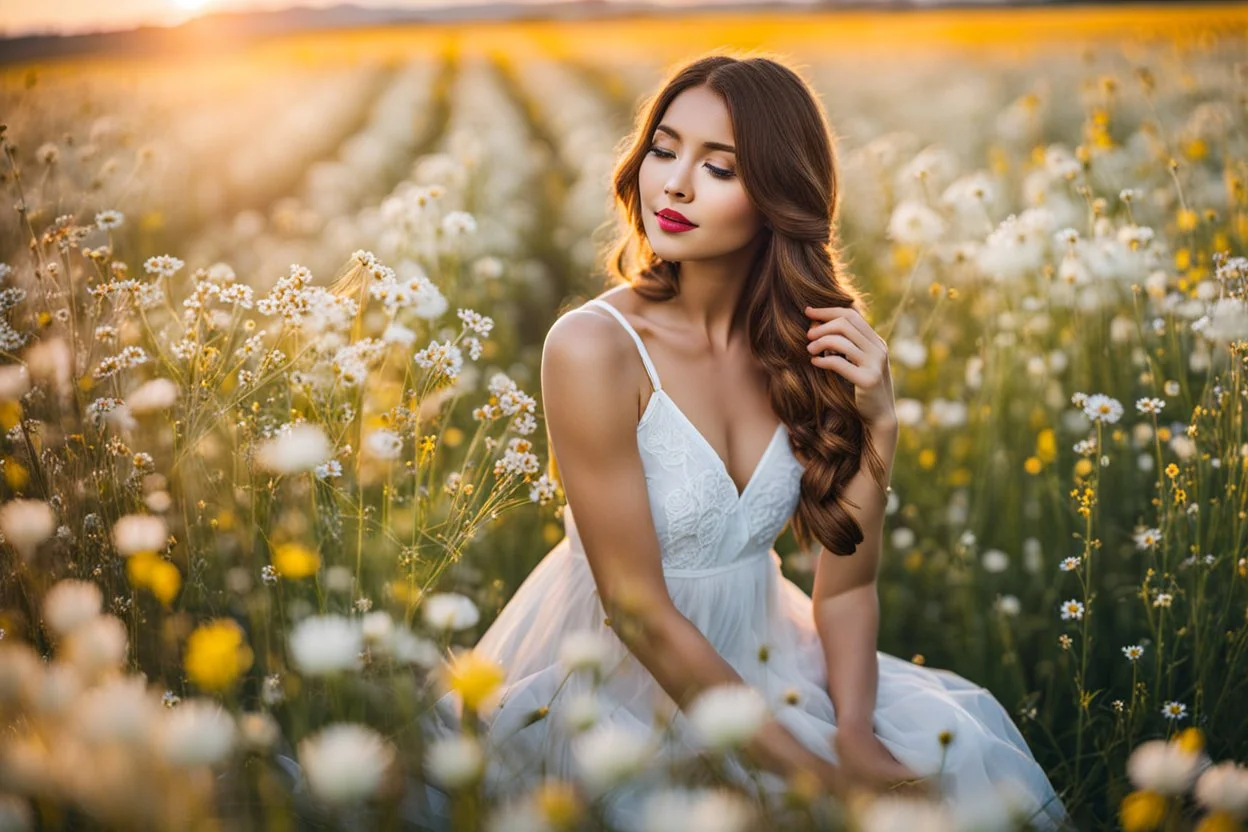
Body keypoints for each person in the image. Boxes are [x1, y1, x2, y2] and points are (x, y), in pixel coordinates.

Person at [421, 51, 1070, 830]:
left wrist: (855, 735)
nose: (675, 183)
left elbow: (849, 586)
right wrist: (820, 779)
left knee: (951, 776)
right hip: (623, 689)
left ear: (778, 196)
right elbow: (638, 613)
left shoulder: (806, 349)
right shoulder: (593, 347)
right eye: (664, 149)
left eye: (718, 167)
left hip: (771, 661)